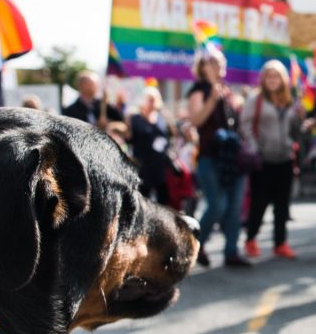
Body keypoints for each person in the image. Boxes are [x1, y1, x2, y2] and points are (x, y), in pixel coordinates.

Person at [187, 48, 251, 268]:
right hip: (209, 157)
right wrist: (212, 101)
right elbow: (196, 120)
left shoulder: (227, 91)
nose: (217, 66)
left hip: (231, 158)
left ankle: (231, 251)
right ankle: (193, 247)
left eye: (220, 62)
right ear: (203, 67)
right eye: (212, 62)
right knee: (217, 205)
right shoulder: (199, 90)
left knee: (234, 207)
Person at [241, 60, 302, 260]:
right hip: (263, 160)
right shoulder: (255, 100)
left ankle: (280, 242)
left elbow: (295, 129)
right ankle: (251, 238)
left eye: (276, 76)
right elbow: (245, 125)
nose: (273, 80)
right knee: (259, 202)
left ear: (283, 79)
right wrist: (255, 147)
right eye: (269, 76)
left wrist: (301, 121)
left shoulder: (289, 101)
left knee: (283, 204)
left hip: (284, 158)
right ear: (264, 79)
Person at [129, 86, 172, 203]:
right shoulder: (136, 118)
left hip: (159, 163)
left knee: (163, 198)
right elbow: (131, 137)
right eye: (149, 99)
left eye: (154, 99)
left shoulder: (161, 118)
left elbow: (167, 136)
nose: (152, 102)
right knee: (143, 197)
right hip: (143, 164)